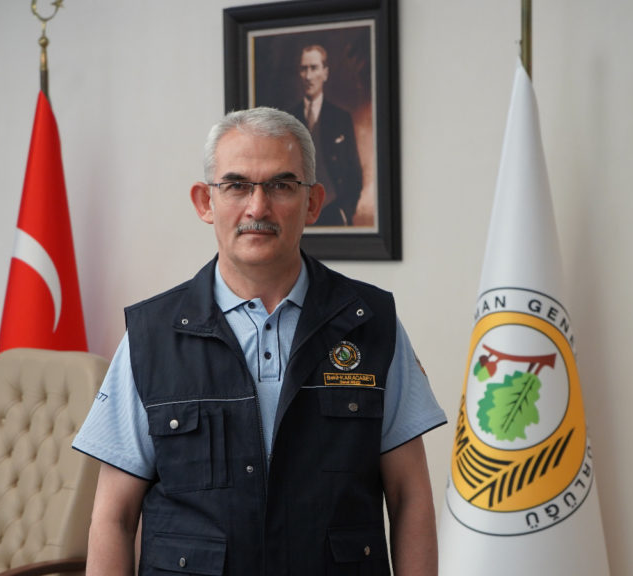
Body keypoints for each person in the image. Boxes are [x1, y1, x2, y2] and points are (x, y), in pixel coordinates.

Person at [73, 107, 446, 576]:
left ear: (313, 202)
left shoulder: (370, 324)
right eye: (236, 185)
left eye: (281, 185)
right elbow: (113, 517)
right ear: (205, 202)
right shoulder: (152, 337)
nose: (257, 208)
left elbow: (411, 499)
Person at [286, 44, 364, 226]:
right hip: (297, 215)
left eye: (314, 68)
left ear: (325, 73)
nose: (308, 76)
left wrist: (345, 211)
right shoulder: (287, 119)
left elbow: (354, 173)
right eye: (304, 69)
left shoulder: (341, 118)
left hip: (334, 213)